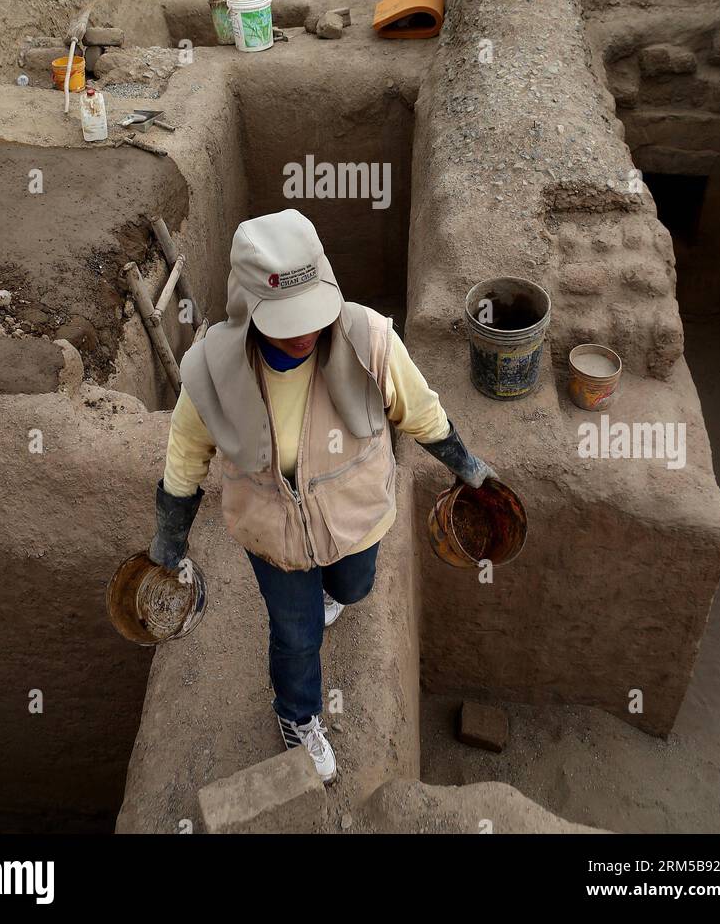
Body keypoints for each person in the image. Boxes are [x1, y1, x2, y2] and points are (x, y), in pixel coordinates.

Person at [148, 209, 496, 783]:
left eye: (310, 313)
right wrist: (168, 540)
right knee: (295, 632)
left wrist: (466, 465)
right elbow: (185, 458)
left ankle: (332, 596)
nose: (305, 331)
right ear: (249, 306)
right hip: (271, 532)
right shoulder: (212, 371)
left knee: (354, 587)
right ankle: (298, 715)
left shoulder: (368, 341)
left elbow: (421, 410)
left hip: (354, 516)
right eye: (285, 320)